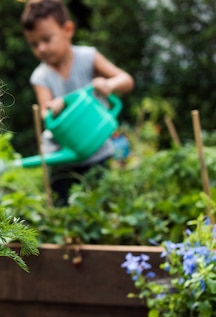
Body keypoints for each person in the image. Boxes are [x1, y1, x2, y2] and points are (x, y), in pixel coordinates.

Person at [20, 0, 134, 206]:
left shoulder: (88, 57)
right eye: (34, 44)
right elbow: (45, 113)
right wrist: (53, 109)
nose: (41, 48)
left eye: (46, 39)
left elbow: (126, 80)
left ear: (68, 29)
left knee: (102, 205)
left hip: (96, 150)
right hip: (62, 155)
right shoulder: (40, 76)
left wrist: (109, 84)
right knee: (63, 207)